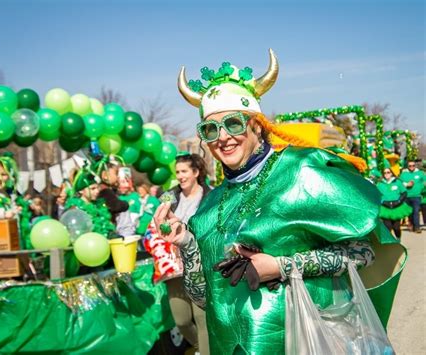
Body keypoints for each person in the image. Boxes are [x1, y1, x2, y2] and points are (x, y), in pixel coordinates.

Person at [153, 50, 395, 353]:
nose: (223, 137)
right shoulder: (207, 208)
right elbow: (204, 298)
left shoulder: (301, 170)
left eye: (234, 123)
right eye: (210, 129)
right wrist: (187, 243)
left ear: (256, 125)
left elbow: (363, 252)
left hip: (308, 341)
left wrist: (282, 266)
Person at [159, 153, 211, 355]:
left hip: (200, 264)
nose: (180, 176)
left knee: (202, 318)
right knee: (181, 320)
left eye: (184, 171)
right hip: (174, 268)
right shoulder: (168, 194)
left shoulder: (210, 195)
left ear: (196, 172)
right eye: (177, 172)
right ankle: (202, 347)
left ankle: (206, 351)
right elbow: (154, 223)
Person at [65, 167, 116, 238]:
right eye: (93, 189)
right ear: (81, 190)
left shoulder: (99, 205)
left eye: (97, 188)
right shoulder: (75, 209)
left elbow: (107, 226)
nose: (97, 191)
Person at [92, 156, 129, 224]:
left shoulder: (104, 189)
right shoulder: (105, 191)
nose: (118, 176)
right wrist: (126, 204)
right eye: (116, 173)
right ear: (105, 175)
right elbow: (115, 206)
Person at [377, 168, 412, 239]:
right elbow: (377, 195)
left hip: (397, 207)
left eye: (388, 172)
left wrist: (399, 201)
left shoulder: (397, 182)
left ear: (391, 173)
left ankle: (398, 239)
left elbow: (404, 193)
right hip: (385, 208)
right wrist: (383, 201)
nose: (386, 174)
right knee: (388, 227)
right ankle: (390, 243)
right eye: (385, 173)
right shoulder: (379, 184)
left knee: (396, 227)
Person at [400, 160, 425, 233]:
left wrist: (422, 187)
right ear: (407, 166)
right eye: (410, 166)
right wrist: (406, 184)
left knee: (416, 211)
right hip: (407, 196)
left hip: (416, 196)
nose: (412, 167)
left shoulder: (420, 173)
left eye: (413, 165)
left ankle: (417, 227)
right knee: (410, 212)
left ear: (415, 165)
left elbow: (424, 181)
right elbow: (400, 183)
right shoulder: (404, 174)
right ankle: (412, 225)